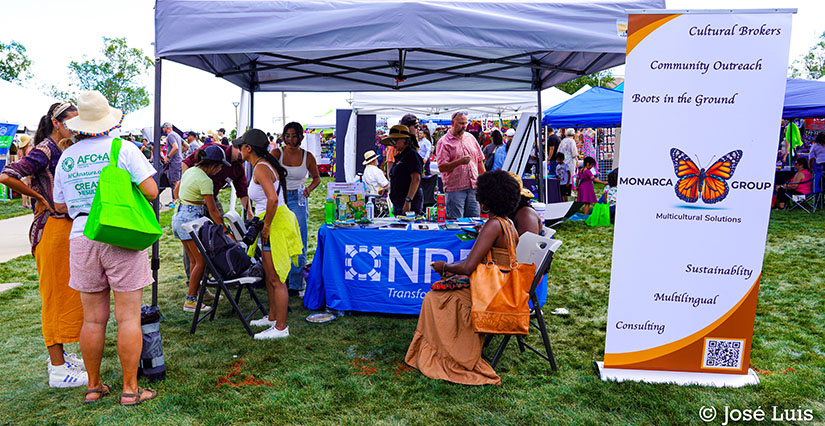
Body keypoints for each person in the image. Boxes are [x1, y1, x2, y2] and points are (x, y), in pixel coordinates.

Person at [53, 91, 158, 405]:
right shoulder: (122, 148)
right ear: (106, 121)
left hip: (82, 235)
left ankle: (94, 386)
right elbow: (151, 191)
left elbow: (60, 203)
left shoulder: (67, 157)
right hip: (120, 234)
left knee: (93, 320)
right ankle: (130, 389)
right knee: (128, 319)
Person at [0, 101, 88, 388]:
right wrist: (40, 199)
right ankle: (58, 368)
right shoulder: (46, 149)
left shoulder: (64, 148)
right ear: (57, 122)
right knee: (54, 298)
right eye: (72, 121)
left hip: (65, 230)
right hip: (50, 230)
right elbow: (7, 175)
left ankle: (61, 358)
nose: (76, 127)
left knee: (69, 295)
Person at [405, 170, 522, 385]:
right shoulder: (508, 224)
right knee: (441, 292)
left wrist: (445, 266)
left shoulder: (493, 226)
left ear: (487, 200)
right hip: (500, 288)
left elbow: (468, 267)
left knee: (434, 298)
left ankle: (450, 355)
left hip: (490, 295)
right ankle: (442, 350)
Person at [235, 129, 302, 340]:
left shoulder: (261, 168)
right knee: (270, 274)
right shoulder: (262, 165)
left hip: (275, 224)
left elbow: (272, 199)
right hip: (273, 220)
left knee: (276, 278)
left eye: (241, 146)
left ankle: (281, 328)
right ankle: (272, 318)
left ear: (248, 149)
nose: (238, 150)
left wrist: (266, 227)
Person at [172, 145, 232, 312]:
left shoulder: (191, 171)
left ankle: (197, 293)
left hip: (179, 217)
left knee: (194, 260)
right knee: (201, 261)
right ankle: (190, 300)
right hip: (190, 220)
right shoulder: (206, 180)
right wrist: (224, 230)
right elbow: (213, 210)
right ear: (213, 165)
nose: (220, 170)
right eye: (220, 166)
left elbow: (177, 191)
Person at [271, 121, 321, 295]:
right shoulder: (277, 153)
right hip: (279, 198)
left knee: (299, 239)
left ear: (301, 137)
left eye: (294, 136)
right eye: (287, 136)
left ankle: (296, 284)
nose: (290, 139)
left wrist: (308, 189)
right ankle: (277, 279)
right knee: (279, 239)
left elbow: (317, 178)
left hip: (298, 199)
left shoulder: (308, 157)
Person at [436, 111, 486, 218]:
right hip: (455, 189)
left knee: (474, 221)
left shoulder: (470, 138)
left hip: (473, 187)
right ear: (452, 123)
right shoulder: (444, 142)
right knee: (456, 222)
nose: (464, 126)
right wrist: (459, 162)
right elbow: (441, 167)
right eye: (461, 123)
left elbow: (479, 160)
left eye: (465, 123)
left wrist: (486, 179)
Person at [381, 125, 424, 215]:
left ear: (404, 139)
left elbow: (416, 179)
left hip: (408, 203)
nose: (393, 144)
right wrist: (387, 189)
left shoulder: (412, 155)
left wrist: (408, 200)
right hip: (399, 202)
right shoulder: (400, 156)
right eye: (392, 141)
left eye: (395, 140)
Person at [161, 122, 183, 204]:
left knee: (175, 182)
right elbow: (186, 146)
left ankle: (177, 201)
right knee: (178, 181)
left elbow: (175, 147)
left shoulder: (170, 135)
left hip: (174, 162)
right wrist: (180, 154)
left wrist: (168, 156)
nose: (162, 130)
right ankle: (177, 200)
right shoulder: (177, 135)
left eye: (163, 128)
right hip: (179, 161)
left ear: (166, 128)